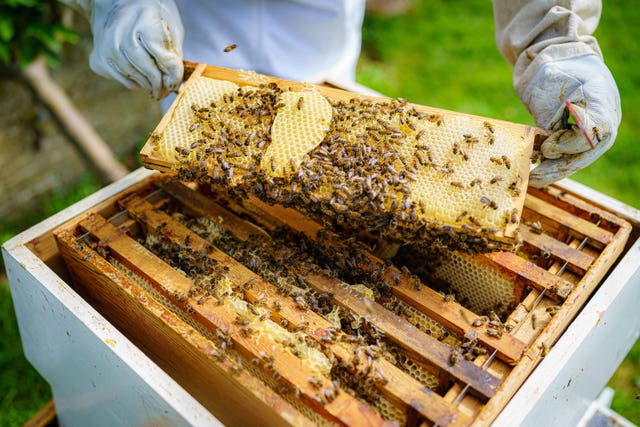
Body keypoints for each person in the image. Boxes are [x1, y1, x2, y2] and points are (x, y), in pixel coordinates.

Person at [63, 0, 620, 188]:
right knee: (203, 152)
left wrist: (560, 37)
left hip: (322, 29)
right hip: (200, 29)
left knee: (339, 143)